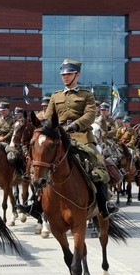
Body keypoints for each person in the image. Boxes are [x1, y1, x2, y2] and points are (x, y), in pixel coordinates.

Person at [31, 58, 117, 218]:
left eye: (69, 74)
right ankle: (36, 203)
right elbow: (49, 117)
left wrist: (75, 125)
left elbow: (90, 115)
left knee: (97, 162)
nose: (65, 77)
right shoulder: (55, 96)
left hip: (82, 136)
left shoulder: (87, 95)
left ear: (77, 75)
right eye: (63, 74)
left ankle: (104, 203)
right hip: (59, 137)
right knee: (39, 163)